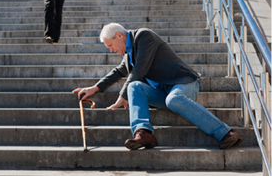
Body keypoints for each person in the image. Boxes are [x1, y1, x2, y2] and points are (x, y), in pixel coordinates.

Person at [73, 23, 243, 150]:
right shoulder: (129, 54)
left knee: (173, 99)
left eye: (110, 45)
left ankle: (226, 133)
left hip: (184, 83)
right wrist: (94, 88)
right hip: (163, 92)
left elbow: (139, 70)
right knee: (135, 88)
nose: (110, 50)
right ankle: (144, 133)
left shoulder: (144, 36)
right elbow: (118, 72)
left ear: (119, 35)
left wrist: (122, 96)